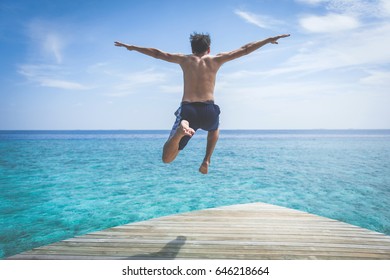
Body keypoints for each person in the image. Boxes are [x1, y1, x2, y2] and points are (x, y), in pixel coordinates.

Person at [115, 33, 290, 174]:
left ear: (192, 49)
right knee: (215, 128)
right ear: (208, 49)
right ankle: (206, 159)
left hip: (188, 111)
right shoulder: (216, 59)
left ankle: (179, 133)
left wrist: (132, 47)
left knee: (167, 159)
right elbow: (245, 49)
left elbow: (158, 54)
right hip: (208, 110)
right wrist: (268, 40)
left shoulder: (184, 59)